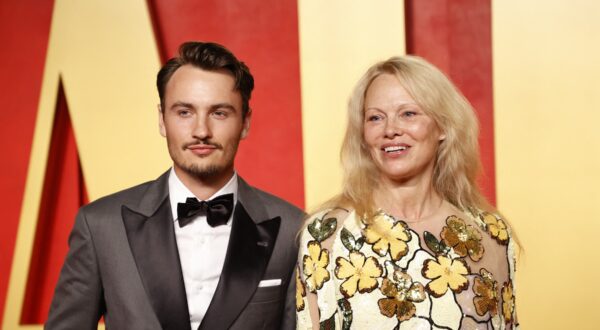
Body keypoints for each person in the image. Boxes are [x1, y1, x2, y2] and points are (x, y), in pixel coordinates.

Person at [46, 41, 303, 330]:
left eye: (219, 113)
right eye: (184, 112)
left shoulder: (293, 230)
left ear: (245, 122)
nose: (201, 131)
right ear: (162, 119)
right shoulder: (100, 225)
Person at [295, 56, 519, 329]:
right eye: (375, 118)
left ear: (443, 126)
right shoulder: (327, 234)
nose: (390, 130)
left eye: (408, 114)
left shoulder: (491, 233)